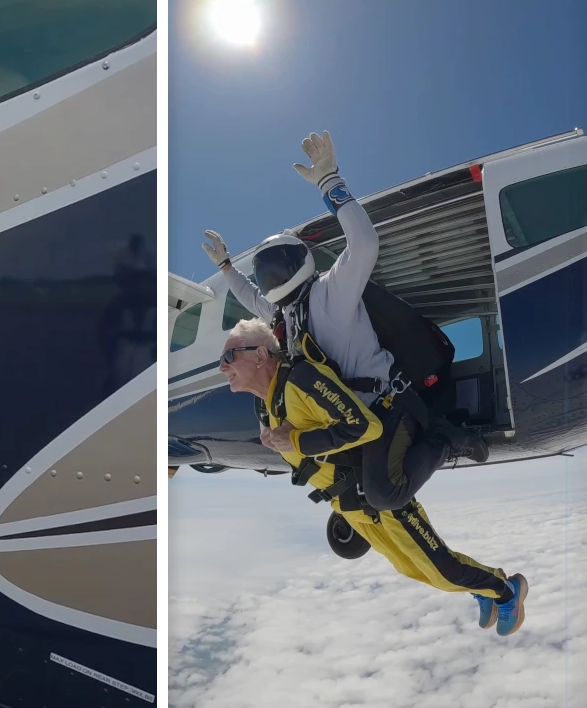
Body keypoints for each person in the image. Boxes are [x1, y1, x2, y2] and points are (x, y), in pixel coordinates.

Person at [200, 131, 484, 513]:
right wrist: (226, 268)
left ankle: (445, 439)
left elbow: (364, 244)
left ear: (294, 263)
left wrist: (329, 182)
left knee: (385, 496)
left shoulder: (330, 292)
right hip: (352, 420)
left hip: (391, 406)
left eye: (272, 269)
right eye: (264, 272)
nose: (268, 279)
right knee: (354, 494)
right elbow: (251, 296)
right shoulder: (288, 317)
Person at [217, 318, 528, 635]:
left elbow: (364, 427)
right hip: (353, 507)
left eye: (228, 357)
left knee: (441, 571)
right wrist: (284, 442)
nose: (221, 368)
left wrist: (295, 441)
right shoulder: (271, 406)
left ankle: (507, 592)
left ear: (259, 355)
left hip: (376, 493)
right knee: (413, 568)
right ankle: (485, 583)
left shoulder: (300, 378)